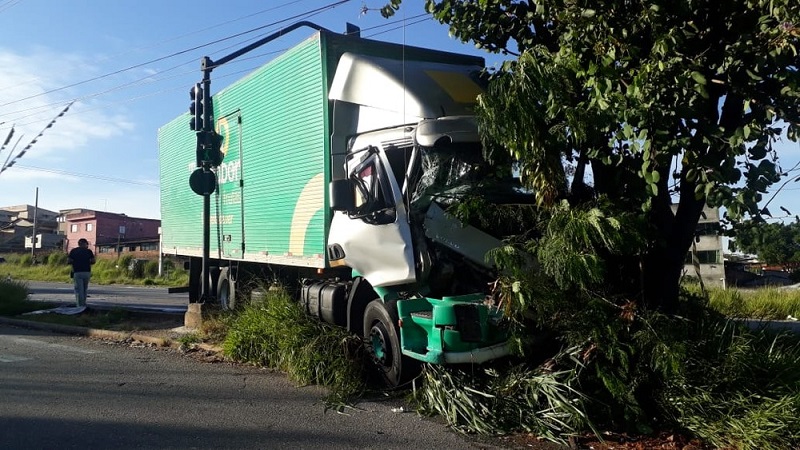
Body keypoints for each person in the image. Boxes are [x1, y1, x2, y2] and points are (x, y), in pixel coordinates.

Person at [68, 238, 95, 307]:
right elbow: (93, 261)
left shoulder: (73, 251)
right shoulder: (89, 251)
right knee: (84, 289)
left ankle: (80, 305)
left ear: (79, 244)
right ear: (85, 244)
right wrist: (87, 262)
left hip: (77, 272)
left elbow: (69, 261)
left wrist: (75, 262)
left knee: (79, 290)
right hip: (87, 271)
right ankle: (84, 304)